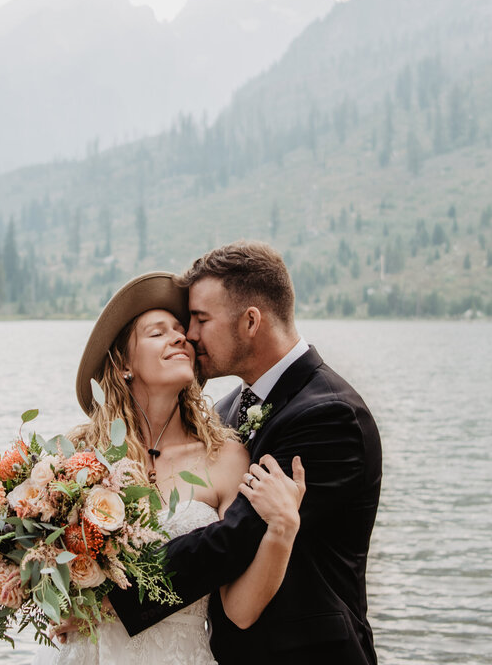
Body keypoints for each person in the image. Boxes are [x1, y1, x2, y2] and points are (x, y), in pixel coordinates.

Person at [108, 241, 382, 665]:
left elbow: (235, 537)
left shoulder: (330, 415)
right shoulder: (227, 409)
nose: (189, 334)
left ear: (250, 321)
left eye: (200, 319)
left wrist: (107, 595)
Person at [37, 271, 307, 665]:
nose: (180, 337)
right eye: (157, 332)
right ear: (125, 363)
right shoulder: (77, 455)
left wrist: (282, 531)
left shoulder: (226, 458)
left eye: (181, 330)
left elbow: (240, 611)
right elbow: (46, 577)